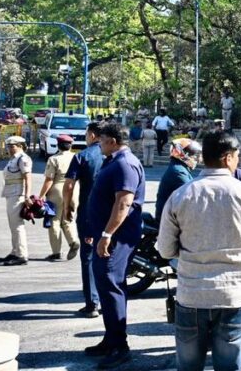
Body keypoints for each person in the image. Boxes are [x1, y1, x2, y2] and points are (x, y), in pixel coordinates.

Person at [157, 130, 241, 371]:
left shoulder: (181, 195)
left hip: (191, 294)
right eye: (238, 155)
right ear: (228, 157)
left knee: (188, 366)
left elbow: (165, 250)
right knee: (229, 365)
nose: (239, 160)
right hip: (233, 295)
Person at [84, 121, 145, 369]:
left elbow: (123, 203)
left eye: (101, 140)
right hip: (107, 235)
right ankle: (111, 339)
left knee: (111, 286)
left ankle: (120, 345)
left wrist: (107, 234)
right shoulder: (113, 160)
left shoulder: (125, 164)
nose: (98, 143)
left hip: (117, 238)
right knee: (106, 285)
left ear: (112, 141)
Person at [63, 122, 104, 317]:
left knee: (88, 258)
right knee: (108, 257)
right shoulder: (113, 156)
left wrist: (66, 208)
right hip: (111, 216)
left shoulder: (82, 156)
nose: (86, 137)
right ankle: (107, 301)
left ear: (93, 135)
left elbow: (69, 186)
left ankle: (92, 304)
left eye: (87, 134)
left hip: (88, 215)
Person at [38, 134, 80, 261]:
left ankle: (56, 252)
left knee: (54, 220)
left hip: (58, 189)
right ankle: (73, 241)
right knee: (69, 218)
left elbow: (49, 180)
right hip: (74, 189)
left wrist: (41, 196)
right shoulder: (76, 157)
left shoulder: (53, 159)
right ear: (71, 145)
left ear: (58, 145)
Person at [0, 135, 31, 266]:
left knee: (17, 226)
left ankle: (22, 255)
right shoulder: (14, 159)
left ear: (20, 146)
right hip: (11, 193)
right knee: (13, 225)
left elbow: (28, 178)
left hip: (18, 194)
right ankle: (15, 250)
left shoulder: (23, 159)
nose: (10, 149)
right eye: (8, 146)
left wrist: (27, 196)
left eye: (12, 146)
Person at [154, 139, 202, 223]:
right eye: (193, 155)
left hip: (172, 216)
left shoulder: (180, 168)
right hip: (169, 222)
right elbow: (191, 197)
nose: (197, 159)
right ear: (182, 153)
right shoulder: (178, 172)